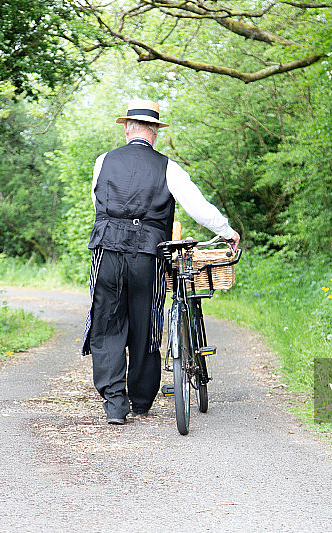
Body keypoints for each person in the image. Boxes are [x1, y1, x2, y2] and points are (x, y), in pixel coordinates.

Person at [81, 99, 240, 425]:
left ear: (127, 127)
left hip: (107, 252)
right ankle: (140, 400)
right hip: (147, 256)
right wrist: (226, 231)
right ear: (155, 131)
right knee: (145, 326)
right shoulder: (168, 168)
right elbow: (198, 208)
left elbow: (97, 201)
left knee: (107, 323)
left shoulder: (103, 161)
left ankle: (114, 405)